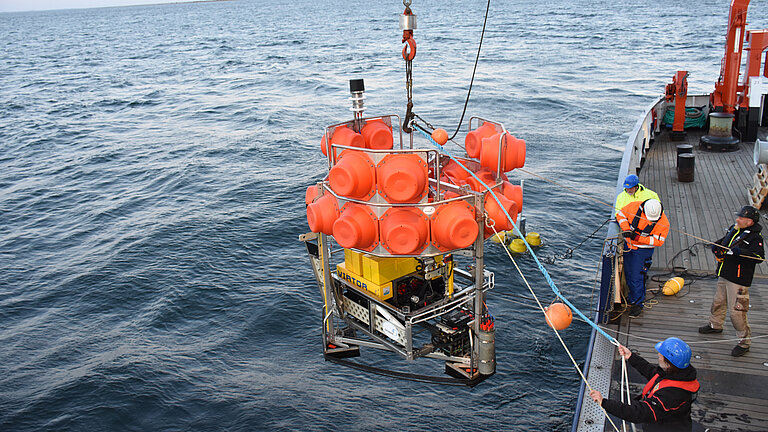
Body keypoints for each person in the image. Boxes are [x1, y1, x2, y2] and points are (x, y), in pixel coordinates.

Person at [590, 338, 700, 432]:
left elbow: (638, 413)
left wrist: (604, 402)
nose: (658, 354)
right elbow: (652, 372)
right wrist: (631, 356)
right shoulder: (678, 374)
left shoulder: (670, 395)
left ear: (668, 362)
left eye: (661, 355)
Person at [699, 205, 764, 357]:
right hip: (725, 273)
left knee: (737, 313)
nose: (737, 219)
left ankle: (744, 342)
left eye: (741, 218)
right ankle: (715, 325)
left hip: (739, 280)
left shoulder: (755, 238)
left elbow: (759, 257)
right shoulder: (734, 229)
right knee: (718, 301)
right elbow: (724, 242)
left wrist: (740, 252)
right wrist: (716, 246)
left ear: (750, 222)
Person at [616, 198, 670, 317]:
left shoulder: (663, 222)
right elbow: (620, 215)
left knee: (636, 276)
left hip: (642, 251)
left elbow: (658, 241)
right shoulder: (633, 207)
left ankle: (638, 303)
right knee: (629, 273)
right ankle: (632, 297)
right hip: (628, 246)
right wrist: (626, 229)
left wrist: (638, 238)